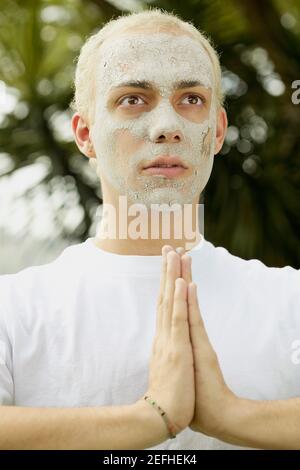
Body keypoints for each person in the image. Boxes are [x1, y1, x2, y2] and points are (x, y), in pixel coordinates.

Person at [0, 8, 299, 450]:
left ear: (217, 132)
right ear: (84, 134)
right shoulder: (13, 311)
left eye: (191, 100)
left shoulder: (289, 301)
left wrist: (233, 414)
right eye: (133, 99)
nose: (166, 128)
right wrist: (150, 418)